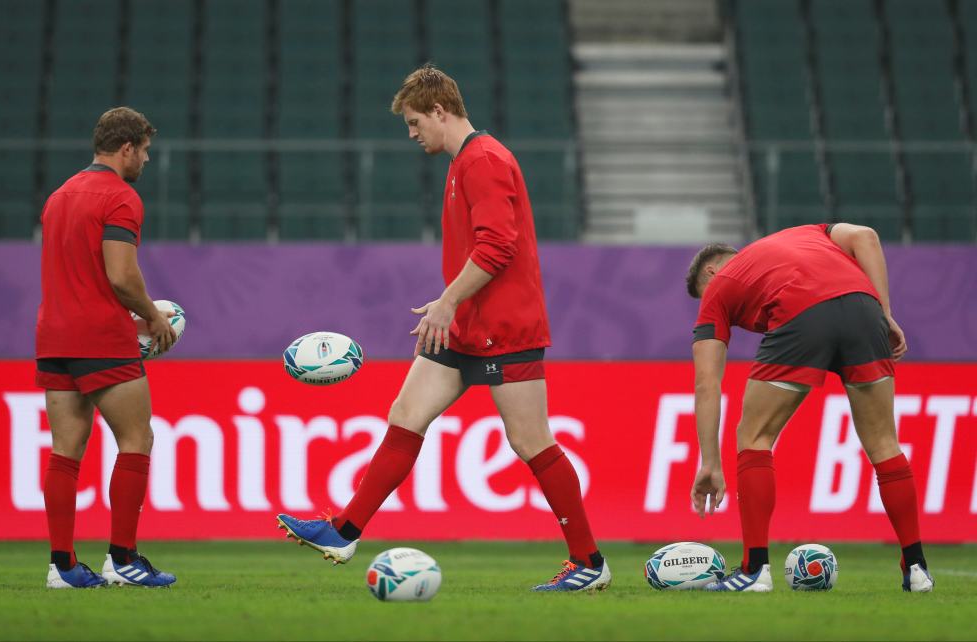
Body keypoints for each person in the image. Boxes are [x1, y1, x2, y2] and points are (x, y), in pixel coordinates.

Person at [277, 65, 610, 592]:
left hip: (505, 326)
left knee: (531, 442)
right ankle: (344, 530)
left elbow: (498, 248)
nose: (412, 134)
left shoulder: (483, 160)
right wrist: (450, 308)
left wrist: (445, 302)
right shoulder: (463, 162)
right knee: (406, 415)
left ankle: (589, 561)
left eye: (414, 122)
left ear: (439, 111)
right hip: (465, 326)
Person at [686, 222, 933, 592]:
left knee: (754, 435)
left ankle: (754, 571)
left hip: (801, 311)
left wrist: (709, 462)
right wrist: (884, 313)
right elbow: (866, 237)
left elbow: (707, 383)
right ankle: (916, 569)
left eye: (703, 294)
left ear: (712, 271)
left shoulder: (720, 286)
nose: (736, 320)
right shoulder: (806, 233)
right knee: (885, 444)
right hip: (864, 308)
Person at [37, 107, 177, 588]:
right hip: (100, 336)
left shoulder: (60, 195)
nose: (145, 161)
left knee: (65, 451)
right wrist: (153, 316)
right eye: (145, 152)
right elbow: (119, 275)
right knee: (137, 440)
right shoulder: (120, 197)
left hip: (54, 335)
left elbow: (77, 272)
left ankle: (62, 566)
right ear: (127, 148)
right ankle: (123, 559)